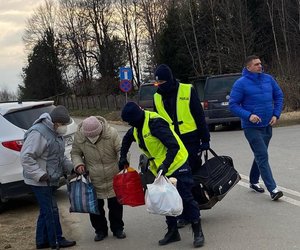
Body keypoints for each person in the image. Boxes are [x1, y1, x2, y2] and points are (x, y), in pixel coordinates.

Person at [119, 102, 205, 248]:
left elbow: (174, 146)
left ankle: (198, 232)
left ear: (137, 117)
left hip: (177, 164)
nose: (129, 124)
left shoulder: (155, 123)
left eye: (130, 121)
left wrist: (165, 165)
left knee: (186, 198)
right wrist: (122, 157)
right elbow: (127, 139)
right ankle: (173, 232)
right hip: (159, 168)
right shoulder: (136, 128)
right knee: (165, 199)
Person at [153, 64, 210, 227]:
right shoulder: (157, 97)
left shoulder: (187, 90)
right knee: (176, 179)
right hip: (172, 144)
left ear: (169, 80)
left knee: (188, 179)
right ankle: (184, 213)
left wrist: (205, 139)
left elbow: (199, 116)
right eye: (156, 83)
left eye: (161, 83)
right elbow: (157, 120)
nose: (158, 86)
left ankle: (192, 213)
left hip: (190, 140)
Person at [229, 55, 284, 201]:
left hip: (267, 125)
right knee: (262, 155)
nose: (260, 66)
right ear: (248, 67)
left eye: (260, 63)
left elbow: (279, 96)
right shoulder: (241, 83)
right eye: (256, 64)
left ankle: (253, 181)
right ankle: (273, 189)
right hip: (251, 127)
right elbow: (233, 105)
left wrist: (276, 114)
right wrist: (248, 116)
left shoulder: (268, 79)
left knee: (260, 155)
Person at [21, 105, 76, 249]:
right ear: (56, 122)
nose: (64, 127)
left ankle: (41, 241)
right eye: (63, 124)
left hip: (50, 178)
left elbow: (59, 157)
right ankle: (56, 241)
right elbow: (26, 157)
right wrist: (40, 175)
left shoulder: (55, 132)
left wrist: (72, 168)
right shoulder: (39, 133)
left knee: (45, 210)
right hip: (40, 180)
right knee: (51, 210)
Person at [71, 116, 126, 242]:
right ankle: (100, 230)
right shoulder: (79, 137)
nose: (92, 138)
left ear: (100, 130)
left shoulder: (111, 133)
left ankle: (118, 228)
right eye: (89, 136)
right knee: (95, 208)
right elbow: (75, 153)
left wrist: (123, 160)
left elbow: (121, 149)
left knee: (116, 206)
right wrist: (78, 164)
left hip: (113, 175)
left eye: (95, 135)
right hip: (93, 177)